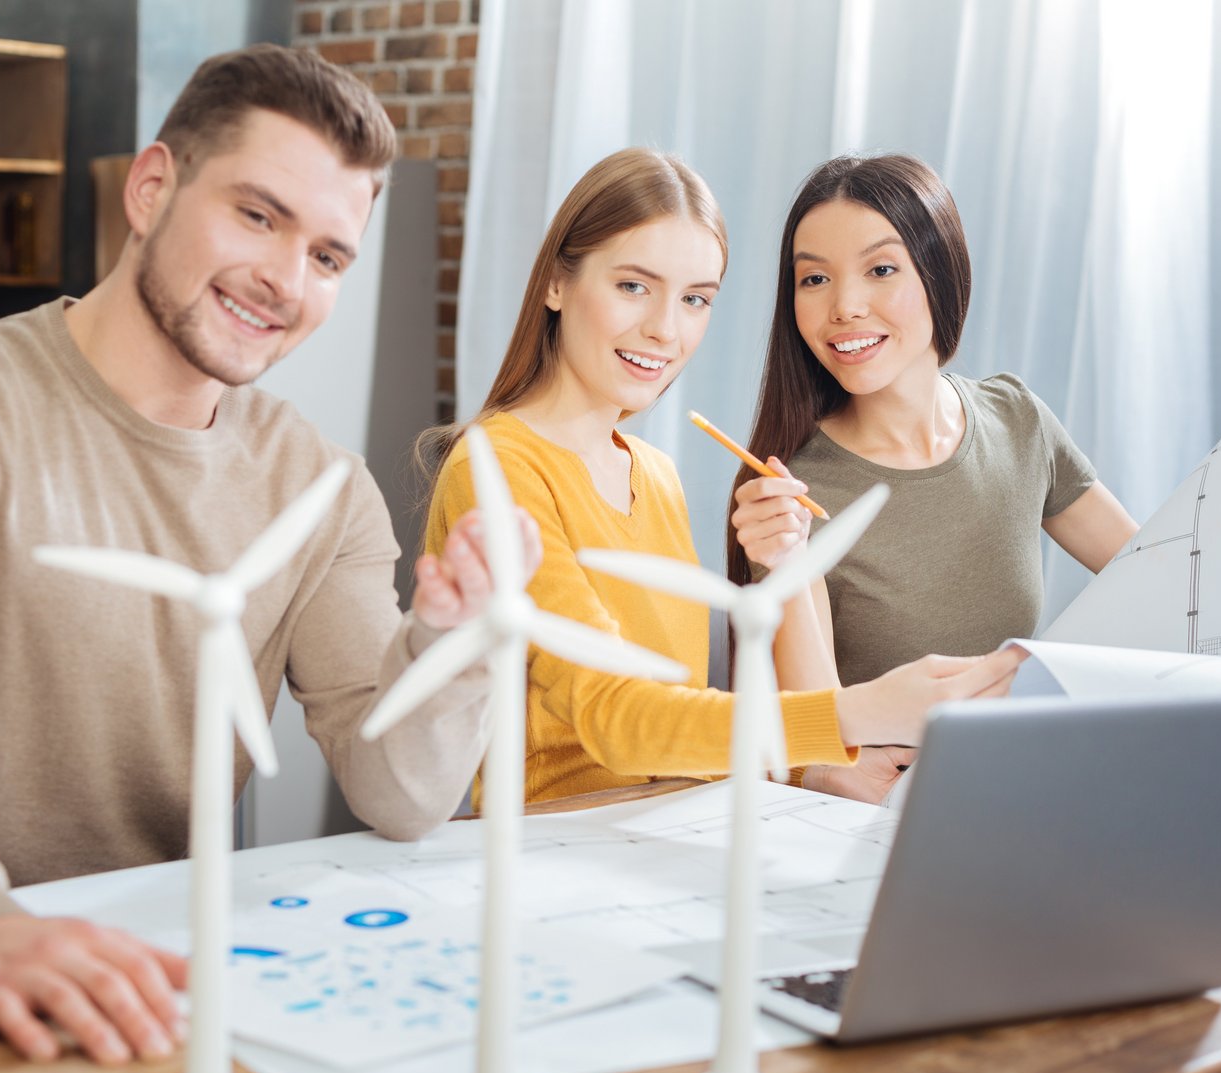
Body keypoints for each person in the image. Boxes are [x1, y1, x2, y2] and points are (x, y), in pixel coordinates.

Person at [0, 45, 534, 1068]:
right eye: (257, 215)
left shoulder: (323, 490)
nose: (285, 280)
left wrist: (456, 647)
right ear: (152, 188)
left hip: (149, 984)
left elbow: (399, 796)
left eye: (328, 256)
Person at [422, 148, 1024, 812]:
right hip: (552, 846)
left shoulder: (656, 475)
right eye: (632, 286)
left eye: (695, 299)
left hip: (678, 830)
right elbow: (618, 721)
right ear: (557, 284)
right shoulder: (498, 466)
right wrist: (857, 711)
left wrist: (818, 769)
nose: (665, 329)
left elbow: (683, 725)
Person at [726, 153, 1221, 798]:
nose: (844, 305)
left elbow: (1170, 582)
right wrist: (788, 563)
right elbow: (816, 739)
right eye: (813, 280)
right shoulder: (794, 495)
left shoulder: (1017, 420)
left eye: (881, 269)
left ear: (941, 275)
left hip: (1034, 784)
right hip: (892, 814)